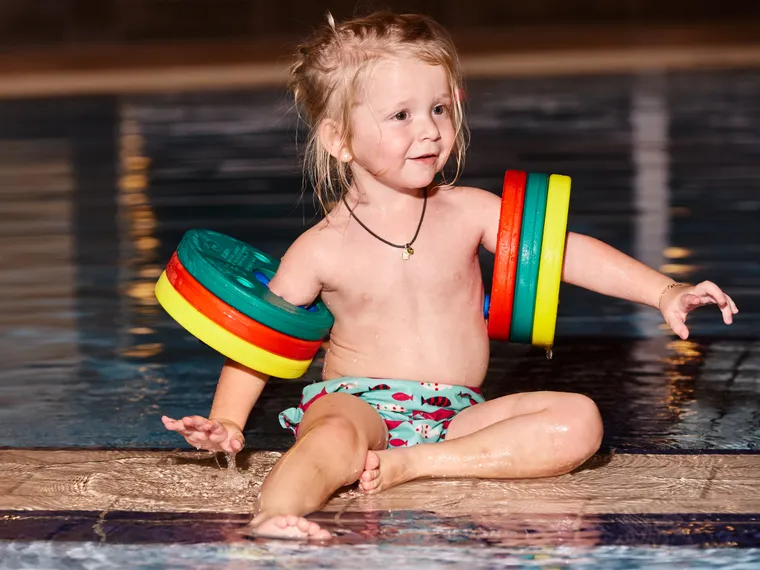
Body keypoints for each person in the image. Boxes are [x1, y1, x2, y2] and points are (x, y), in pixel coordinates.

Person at [162, 11, 738, 540]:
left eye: (439, 109)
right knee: (331, 438)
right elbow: (259, 344)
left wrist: (663, 291)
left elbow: (563, 254)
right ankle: (276, 516)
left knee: (578, 420)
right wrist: (227, 422)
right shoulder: (319, 251)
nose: (431, 130)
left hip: (459, 413)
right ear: (339, 140)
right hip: (359, 402)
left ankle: (411, 467)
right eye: (401, 115)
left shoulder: (469, 211)